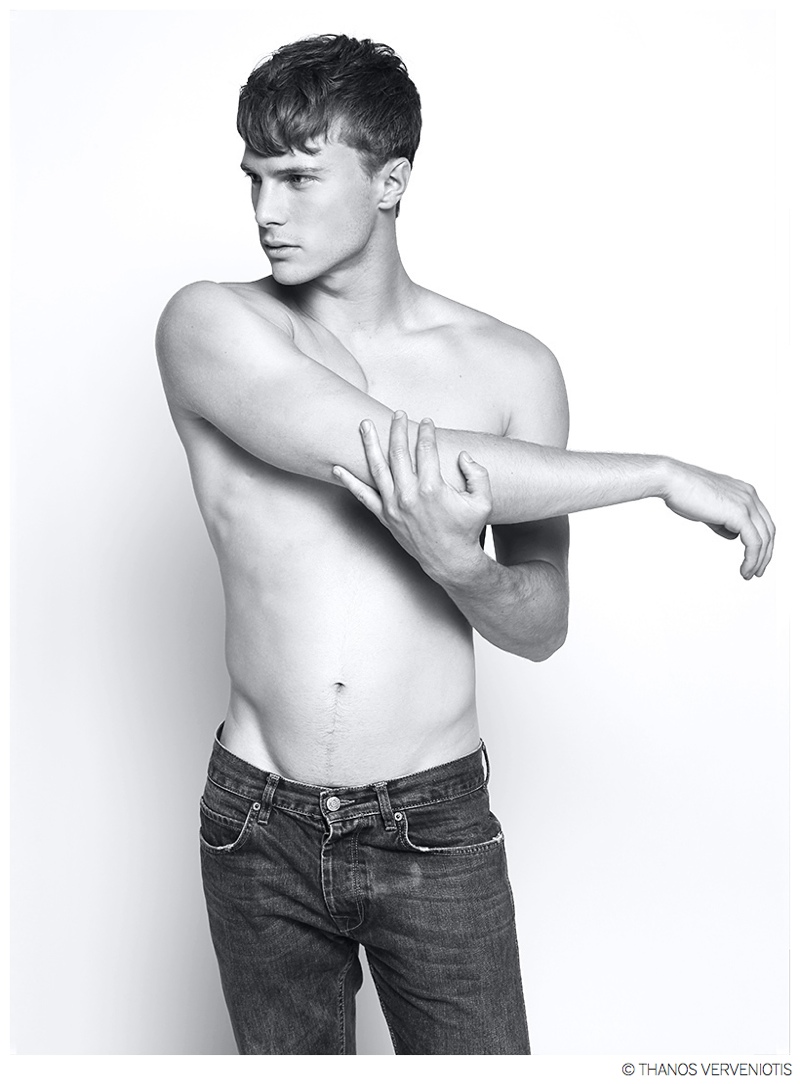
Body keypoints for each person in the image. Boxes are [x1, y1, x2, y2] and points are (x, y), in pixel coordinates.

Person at [155, 34, 775, 1056]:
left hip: (432, 820)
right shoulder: (209, 325)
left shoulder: (512, 369)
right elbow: (397, 455)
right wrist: (659, 473)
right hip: (256, 820)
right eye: (254, 177)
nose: (266, 210)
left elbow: (538, 626)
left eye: (299, 178)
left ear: (390, 181)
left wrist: (457, 563)